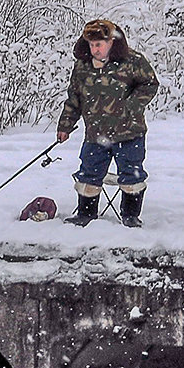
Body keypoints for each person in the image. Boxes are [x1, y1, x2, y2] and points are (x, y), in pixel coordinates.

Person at [56, 19, 159, 227]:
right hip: (95, 134)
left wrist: (132, 105)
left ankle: (130, 215)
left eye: (99, 45)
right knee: (88, 173)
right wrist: (65, 126)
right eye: (91, 45)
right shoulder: (82, 66)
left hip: (129, 133)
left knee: (132, 175)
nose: (95, 49)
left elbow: (150, 84)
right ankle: (86, 213)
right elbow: (74, 98)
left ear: (111, 41)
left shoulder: (133, 61)